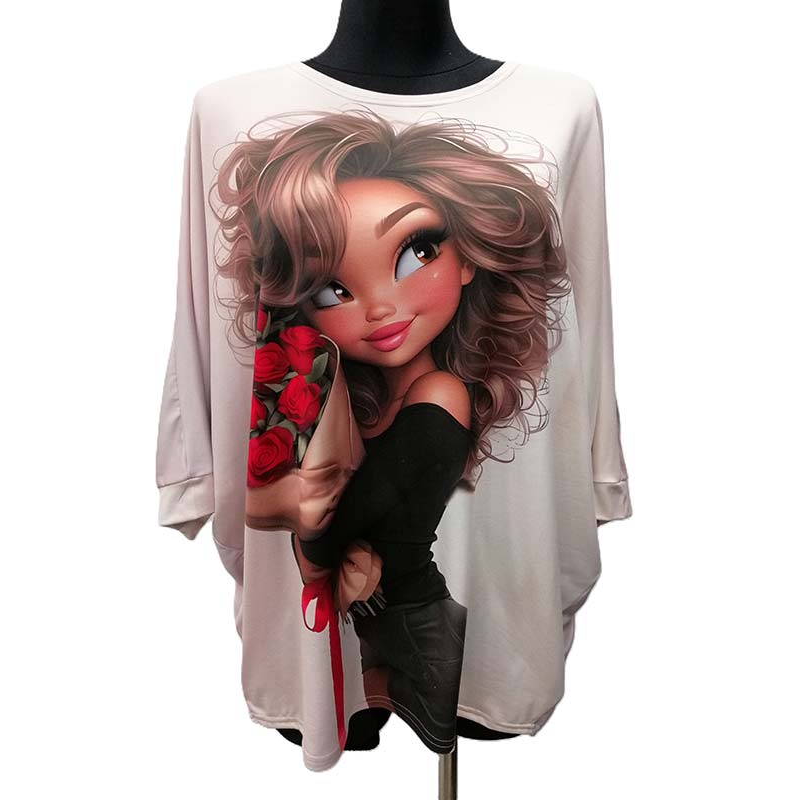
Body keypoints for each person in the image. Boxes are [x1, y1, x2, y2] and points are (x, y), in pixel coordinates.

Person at [211, 108, 572, 752]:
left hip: (415, 636)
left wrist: (305, 529)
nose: (379, 307)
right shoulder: (359, 393)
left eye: (416, 252)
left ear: (468, 258)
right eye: (331, 289)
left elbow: (341, 518)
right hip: (368, 625)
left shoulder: (441, 395)